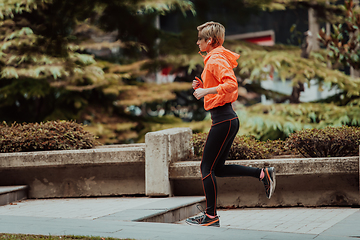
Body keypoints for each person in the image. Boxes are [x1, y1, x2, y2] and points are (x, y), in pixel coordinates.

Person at [185, 21, 276, 228]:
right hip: (225, 119)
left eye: (200, 39)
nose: (197, 42)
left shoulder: (216, 58)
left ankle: (210, 217)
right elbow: (221, 86)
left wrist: (205, 91)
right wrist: (203, 85)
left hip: (224, 120)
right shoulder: (214, 57)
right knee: (218, 168)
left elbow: (231, 84)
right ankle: (263, 174)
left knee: (206, 168)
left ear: (209, 41)